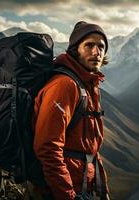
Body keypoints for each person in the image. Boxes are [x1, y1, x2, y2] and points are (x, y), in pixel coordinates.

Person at [31, 21, 110, 200]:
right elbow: (47, 148)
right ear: (75, 49)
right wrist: (67, 195)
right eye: (89, 45)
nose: (97, 52)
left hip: (81, 187)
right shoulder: (65, 86)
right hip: (62, 191)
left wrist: (102, 188)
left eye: (101, 46)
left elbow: (92, 148)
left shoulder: (88, 84)